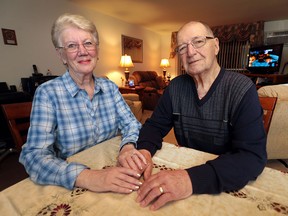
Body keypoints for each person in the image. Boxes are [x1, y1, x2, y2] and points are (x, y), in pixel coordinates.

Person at [132, 21, 267, 210]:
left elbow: (251, 157)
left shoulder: (242, 89)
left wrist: (189, 179)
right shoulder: (176, 87)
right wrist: (145, 151)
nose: (190, 52)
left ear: (216, 45)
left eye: (198, 42)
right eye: (182, 47)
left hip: (224, 183)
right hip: (187, 176)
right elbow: (154, 126)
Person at [19, 13, 146, 193]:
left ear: (97, 49)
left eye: (88, 43)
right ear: (62, 55)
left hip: (114, 170)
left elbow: (132, 124)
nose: (82, 51)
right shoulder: (48, 93)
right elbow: (34, 156)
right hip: (73, 184)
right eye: (72, 46)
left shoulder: (109, 87)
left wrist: (127, 147)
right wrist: (88, 177)